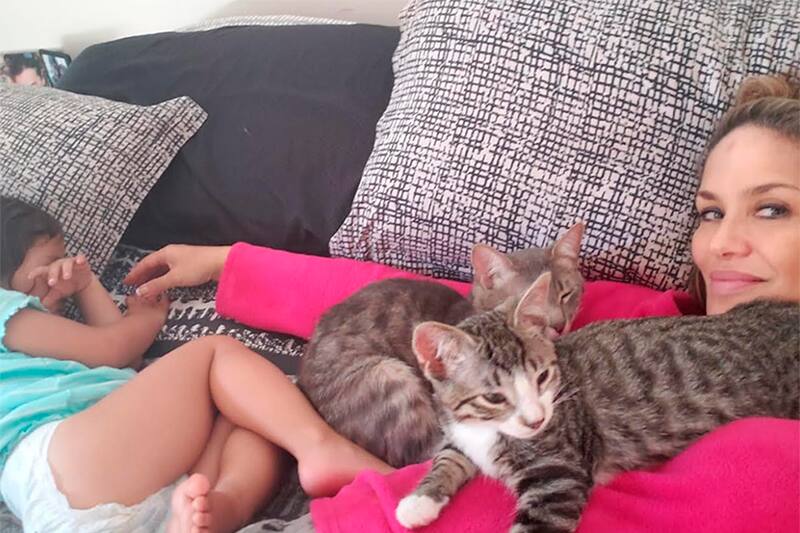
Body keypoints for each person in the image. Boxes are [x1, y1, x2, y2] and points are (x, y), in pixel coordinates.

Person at [124, 73, 799, 532]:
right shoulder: (647, 315)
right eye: (709, 213)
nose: (723, 244)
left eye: (772, 209)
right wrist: (230, 261)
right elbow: (424, 305)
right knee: (234, 403)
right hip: (342, 515)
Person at [0, 195, 392, 533]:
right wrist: (145, 321)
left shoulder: (35, 341)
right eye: (53, 260)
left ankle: (216, 508)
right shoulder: (7, 309)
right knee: (214, 355)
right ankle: (319, 447)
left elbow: (124, 362)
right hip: (56, 460)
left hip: (103, 485)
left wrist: (86, 286)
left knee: (255, 413)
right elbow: (112, 348)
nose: (66, 266)